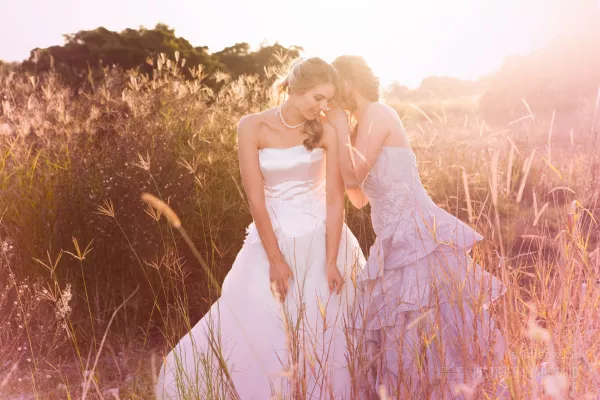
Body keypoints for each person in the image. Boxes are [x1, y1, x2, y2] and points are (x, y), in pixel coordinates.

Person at [156, 57, 365, 399]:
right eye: (318, 98)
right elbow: (255, 199)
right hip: (273, 236)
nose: (324, 106)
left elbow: (334, 199)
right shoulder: (251, 126)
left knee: (327, 331)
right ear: (296, 90)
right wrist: (275, 258)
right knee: (257, 324)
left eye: (329, 100)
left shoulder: (325, 129)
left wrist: (331, 260)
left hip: (323, 238)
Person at [328, 55, 507, 398]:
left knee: (433, 329)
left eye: (336, 85)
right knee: (401, 332)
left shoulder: (379, 113)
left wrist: (337, 130)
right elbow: (358, 199)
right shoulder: (357, 125)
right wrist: (341, 136)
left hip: (419, 235)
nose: (333, 95)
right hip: (391, 241)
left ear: (348, 81)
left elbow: (353, 174)